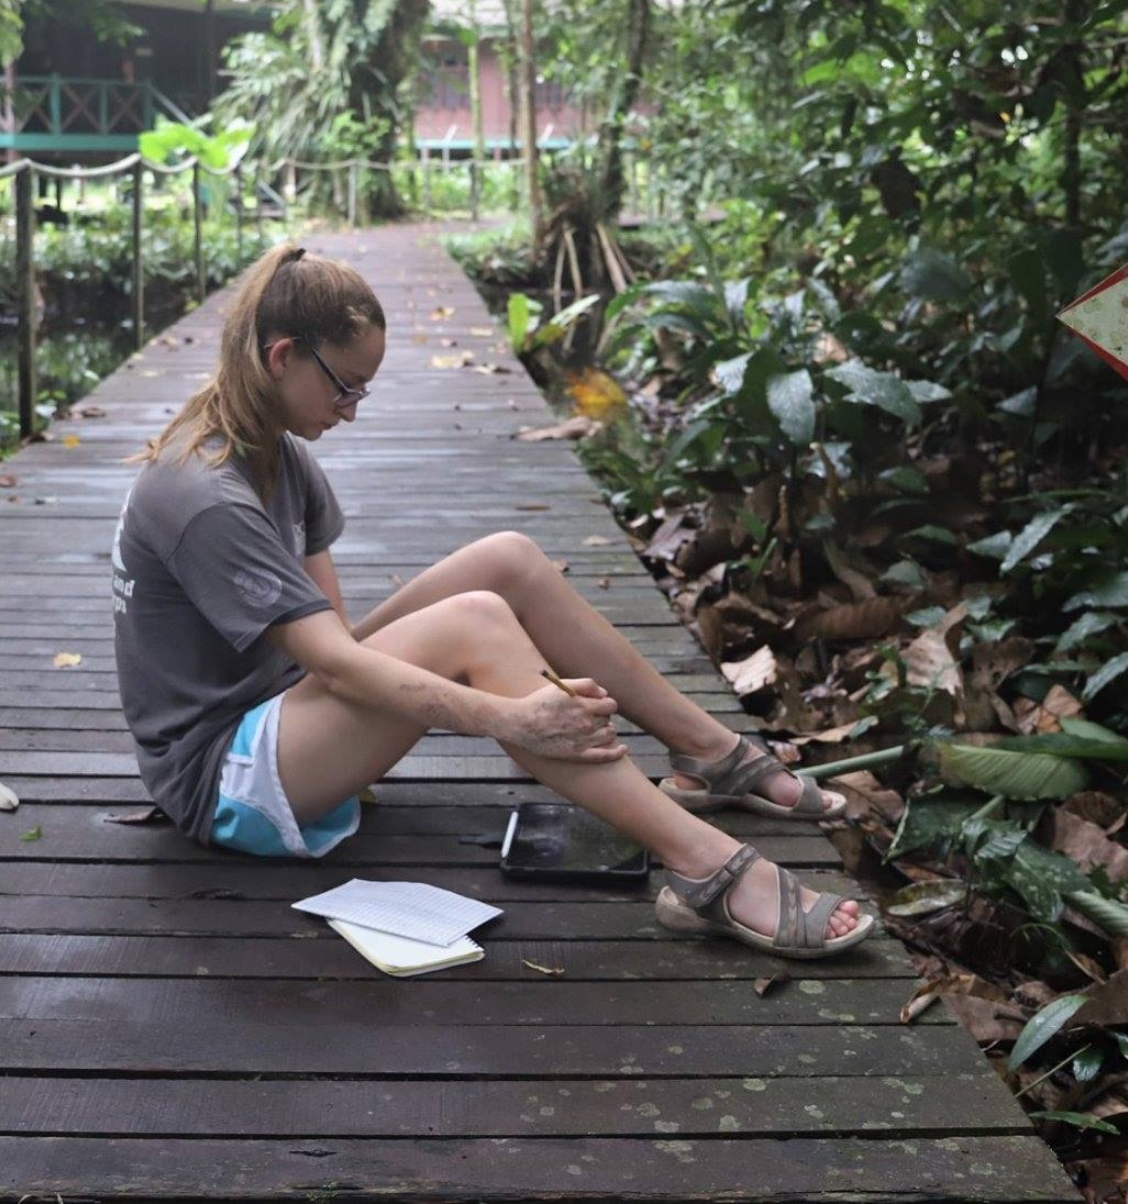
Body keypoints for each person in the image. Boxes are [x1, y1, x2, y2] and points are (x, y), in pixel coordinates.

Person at [112, 242, 873, 959]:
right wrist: (511, 718)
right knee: (475, 626)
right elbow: (341, 669)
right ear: (282, 357)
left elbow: (333, 647)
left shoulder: (278, 449)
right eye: (344, 387)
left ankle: (710, 755)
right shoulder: (205, 494)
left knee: (506, 561)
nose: (353, 410)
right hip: (222, 782)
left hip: (283, 709)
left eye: (364, 391)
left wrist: (505, 707)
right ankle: (707, 866)